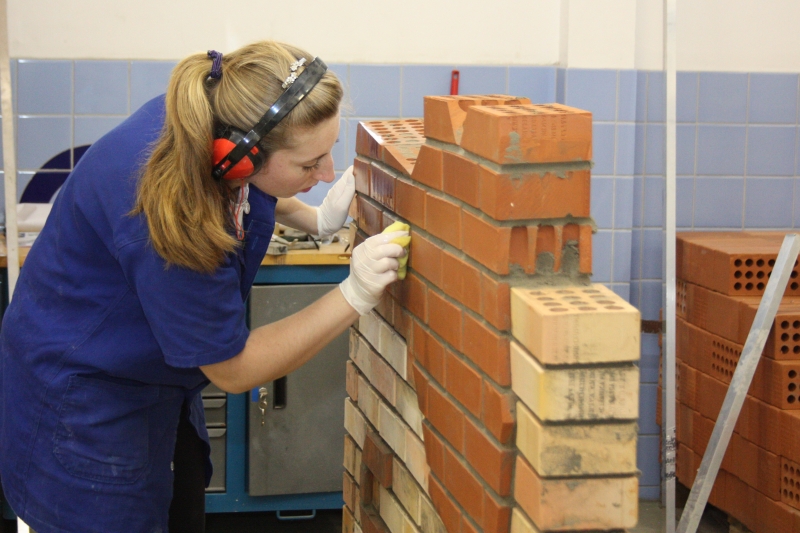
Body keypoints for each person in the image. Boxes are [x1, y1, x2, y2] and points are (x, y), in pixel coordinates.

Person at [0, 40, 406, 533]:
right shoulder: (169, 209)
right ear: (240, 157)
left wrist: (313, 217)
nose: (326, 174)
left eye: (328, 155)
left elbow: (244, 187)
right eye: (309, 165)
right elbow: (234, 368)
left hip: (152, 389)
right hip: (85, 408)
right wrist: (353, 295)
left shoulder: (208, 124)